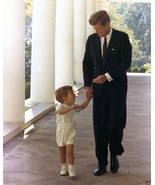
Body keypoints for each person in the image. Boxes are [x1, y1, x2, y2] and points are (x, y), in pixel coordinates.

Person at [82, 10, 132, 176]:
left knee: (115, 124)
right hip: (99, 91)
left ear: (107, 24)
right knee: (99, 126)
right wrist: (87, 87)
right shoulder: (91, 40)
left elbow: (126, 63)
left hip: (117, 89)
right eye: (95, 29)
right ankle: (102, 162)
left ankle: (115, 153)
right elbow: (87, 64)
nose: (97, 32)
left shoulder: (122, 38)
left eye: (99, 28)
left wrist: (107, 76)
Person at [55, 85, 92, 177]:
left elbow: (82, 106)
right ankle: (63, 168)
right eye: (72, 94)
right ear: (64, 98)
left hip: (70, 134)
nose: (75, 95)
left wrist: (88, 100)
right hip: (60, 134)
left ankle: (71, 169)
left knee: (69, 152)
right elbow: (61, 112)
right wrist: (71, 108)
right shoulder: (60, 107)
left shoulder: (74, 106)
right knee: (62, 152)